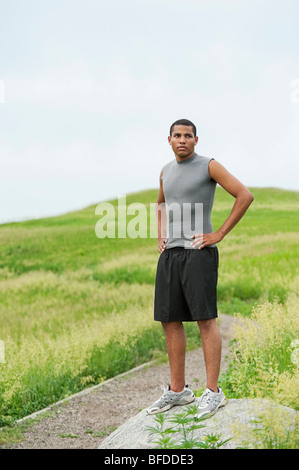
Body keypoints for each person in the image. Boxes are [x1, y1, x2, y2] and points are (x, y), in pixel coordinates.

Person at [147, 118, 254, 419]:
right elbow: (160, 204)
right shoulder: (165, 171)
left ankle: (213, 392)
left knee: (205, 320)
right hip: (171, 255)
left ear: (196, 139)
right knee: (170, 320)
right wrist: (161, 233)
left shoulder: (209, 165)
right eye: (177, 135)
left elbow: (244, 195)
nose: (182, 140)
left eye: (188, 135)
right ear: (168, 139)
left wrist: (218, 234)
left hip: (199, 253)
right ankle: (179, 391)